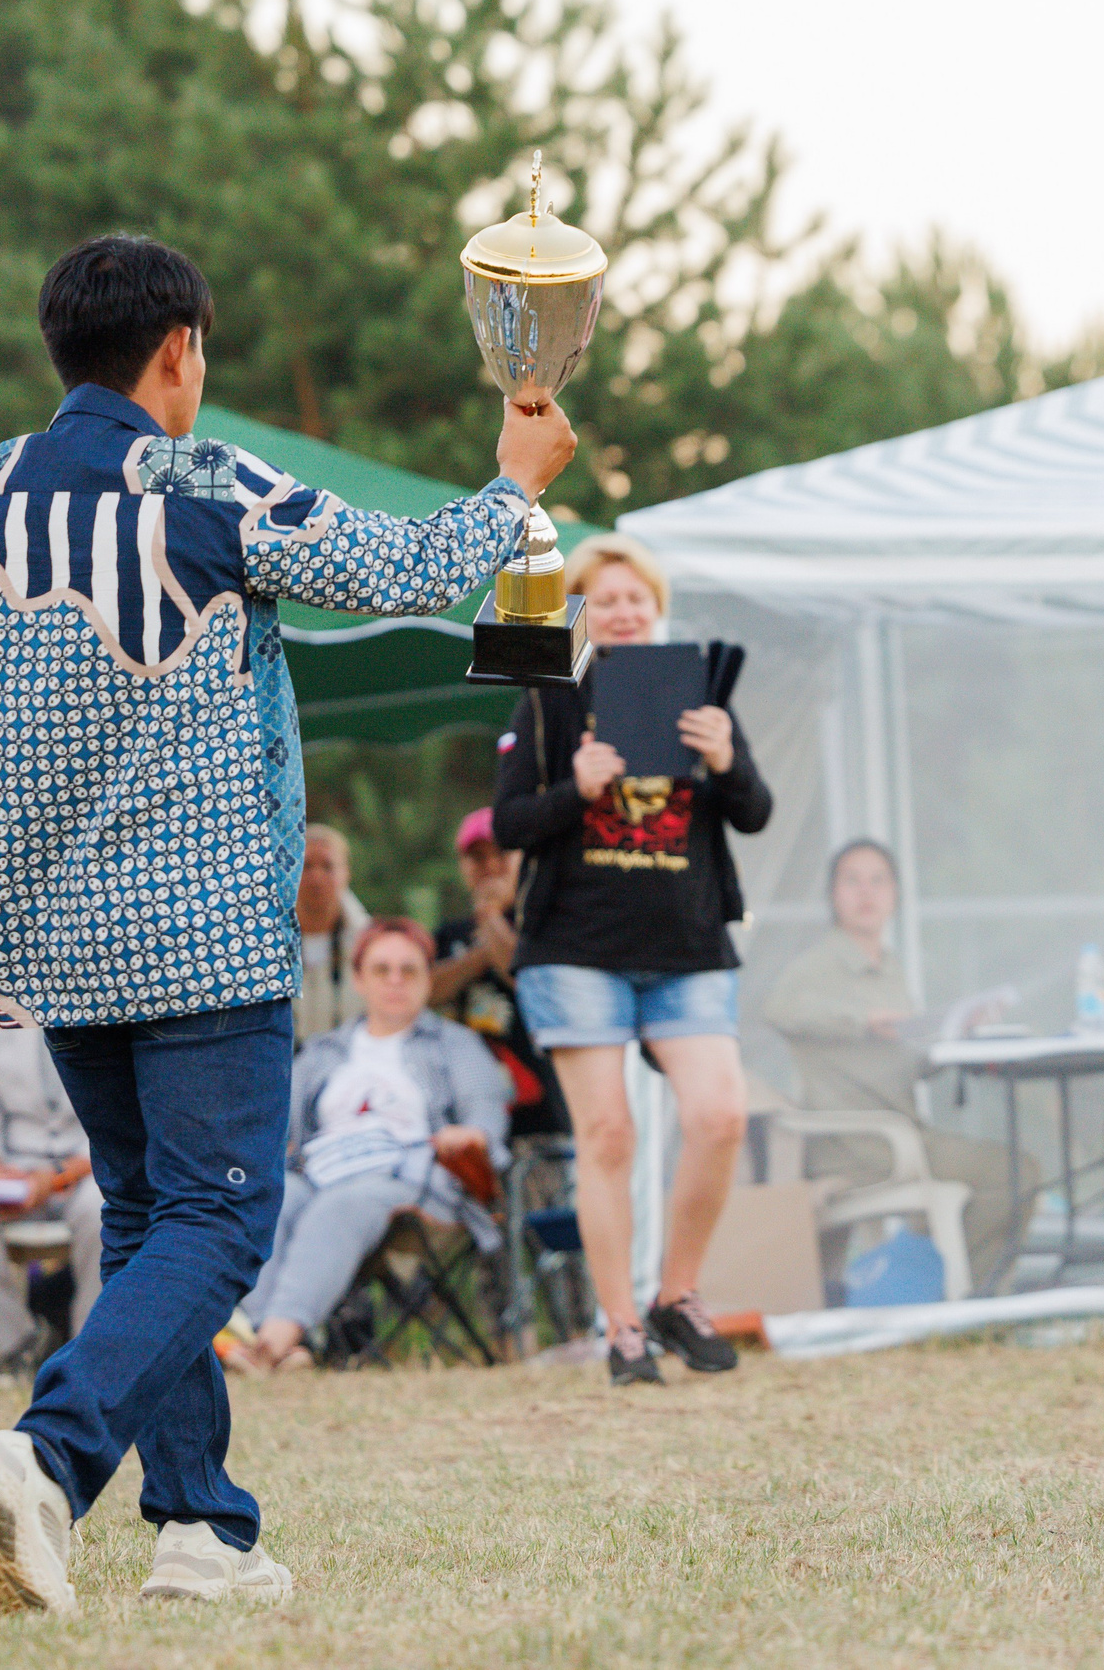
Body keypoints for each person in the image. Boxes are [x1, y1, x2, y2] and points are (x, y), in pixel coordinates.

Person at [0, 234, 575, 1612]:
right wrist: (515, 488)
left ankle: (204, 1526)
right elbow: (401, 569)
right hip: (201, 929)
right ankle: (48, 1462)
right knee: (221, 1221)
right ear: (179, 350)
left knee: (147, 1219)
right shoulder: (194, 477)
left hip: (52, 943)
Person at [495, 531, 772, 1387]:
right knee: (606, 1135)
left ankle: (675, 1295)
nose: (622, 612)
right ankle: (620, 1330)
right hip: (576, 949)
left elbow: (755, 813)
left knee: (720, 1115)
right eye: (604, 599)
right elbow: (508, 825)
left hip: (687, 948)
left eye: (635, 599)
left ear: (656, 611)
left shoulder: (698, 694)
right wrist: (574, 789)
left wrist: (725, 760)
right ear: (579, 613)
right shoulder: (548, 698)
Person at [239, 920, 510, 1371]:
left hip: (417, 1182)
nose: (396, 980)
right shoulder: (324, 1051)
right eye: (381, 969)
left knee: (345, 1203)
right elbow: (277, 1131)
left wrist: (471, 1136)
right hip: (321, 1172)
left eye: (410, 970)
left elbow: (486, 1114)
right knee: (271, 1200)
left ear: (429, 978)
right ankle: (280, 1347)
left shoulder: (456, 1045)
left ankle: (268, 1343)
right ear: (360, 978)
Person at [766, 840, 1040, 1285]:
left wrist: (957, 1031)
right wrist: (862, 1021)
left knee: (1017, 1173)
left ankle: (955, 1290)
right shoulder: (815, 967)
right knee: (1016, 1174)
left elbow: (903, 1057)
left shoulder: (890, 967)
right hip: (859, 1146)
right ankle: (958, 1296)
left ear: (895, 894)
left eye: (878, 881)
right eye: (851, 880)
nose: (865, 893)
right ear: (833, 894)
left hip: (904, 1133)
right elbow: (777, 1010)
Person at [0, 1000, 102, 1377]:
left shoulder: (102, 998)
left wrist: (56, 1177)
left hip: (89, 1166)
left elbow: (125, 1123)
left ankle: (90, 1355)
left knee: (107, 1209)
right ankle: (19, 1349)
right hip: (13, 1164)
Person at [433, 810, 566, 1139]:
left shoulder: (547, 925)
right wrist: (481, 953)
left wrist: (489, 916)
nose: (490, 867)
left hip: (538, 1112)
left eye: (501, 854)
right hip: (457, 1110)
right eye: (478, 858)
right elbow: (426, 991)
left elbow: (523, 976)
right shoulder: (446, 935)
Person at [292, 825, 370, 1048]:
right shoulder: (263, 943)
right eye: (305, 866)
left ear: (346, 872)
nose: (316, 878)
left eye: (328, 866)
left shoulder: (370, 944)